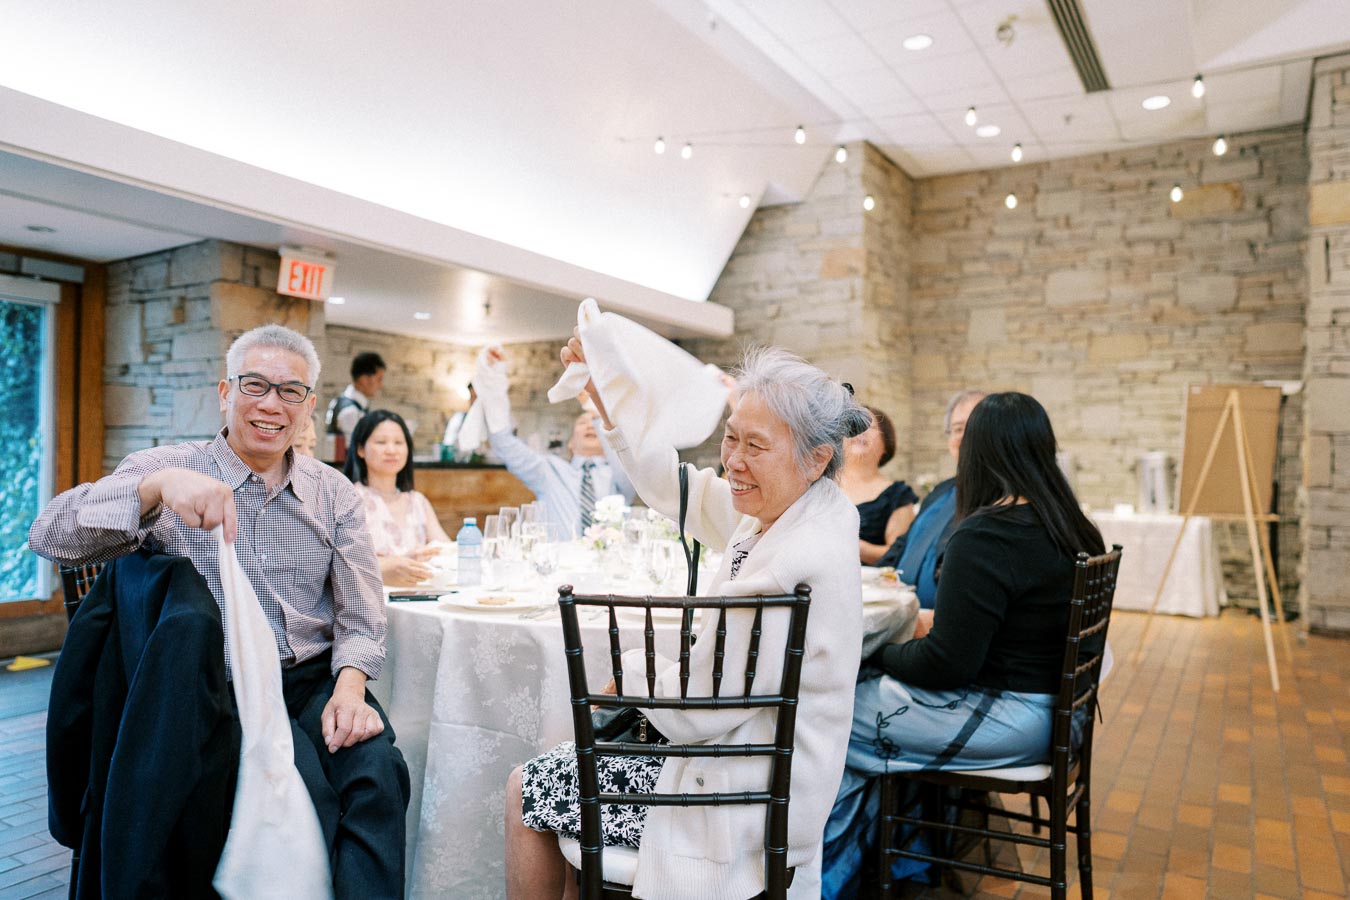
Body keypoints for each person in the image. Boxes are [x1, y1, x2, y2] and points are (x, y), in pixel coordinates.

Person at [29, 324, 410, 899]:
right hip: (205, 691)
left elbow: (361, 613)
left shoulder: (333, 494)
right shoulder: (172, 467)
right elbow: (50, 534)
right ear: (224, 392)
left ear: (309, 408)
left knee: (377, 771)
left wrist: (351, 688)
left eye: (290, 392)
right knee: (290, 793)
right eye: (254, 385)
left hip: (308, 682)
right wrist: (156, 488)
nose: (270, 405)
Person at [504, 341, 873, 900]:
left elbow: (695, 714)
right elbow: (685, 492)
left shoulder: (793, 561)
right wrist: (612, 405)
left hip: (731, 800)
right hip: (749, 771)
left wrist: (627, 673)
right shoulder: (798, 512)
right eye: (730, 437)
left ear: (817, 458)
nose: (734, 461)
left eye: (756, 446)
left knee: (526, 788)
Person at [821, 392, 1105, 898]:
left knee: (826, 717)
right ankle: (888, 864)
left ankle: (826, 878)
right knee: (857, 708)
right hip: (1059, 716)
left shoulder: (986, 535)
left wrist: (873, 654)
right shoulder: (1073, 527)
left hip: (1010, 717)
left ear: (974, 453)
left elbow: (946, 664)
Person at [483, 346, 634, 540]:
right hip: (559, 565)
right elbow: (503, 443)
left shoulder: (621, 477)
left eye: (595, 423)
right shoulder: (549, 471)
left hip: (609, 565)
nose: (590, 425)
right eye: (582, 422)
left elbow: (624, 451)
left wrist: (594, 410)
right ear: (571, 443)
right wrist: (493, 379)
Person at [877, 389, 985, 607]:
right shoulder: (941, 490)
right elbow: (905, 541)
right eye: (957, 429)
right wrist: (878, 575)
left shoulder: (999, 495)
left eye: (974, 425)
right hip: (899, 605)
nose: (965, 436)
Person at [344, 409, 451, 587]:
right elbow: (344, 563)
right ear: (360, 449)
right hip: (371, 601)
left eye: (399, 443)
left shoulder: (417, 501)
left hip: (418, 597)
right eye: (381, 442)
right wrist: (400, 560)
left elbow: (447, 550)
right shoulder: (349, 498)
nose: (391, 450)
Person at [840, 406, 918, 565]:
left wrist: (855, 547)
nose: (860, 431)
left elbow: (898, 552)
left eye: (869, 426)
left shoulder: (898, 496)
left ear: (886, 444)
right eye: (854, 425)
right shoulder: (819, 485)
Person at [326, 351, 386, 461]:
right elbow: (357, 451)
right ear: (364, 379)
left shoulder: (354, 405)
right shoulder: (350, 411)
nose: (381, 385)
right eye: (379, 379)